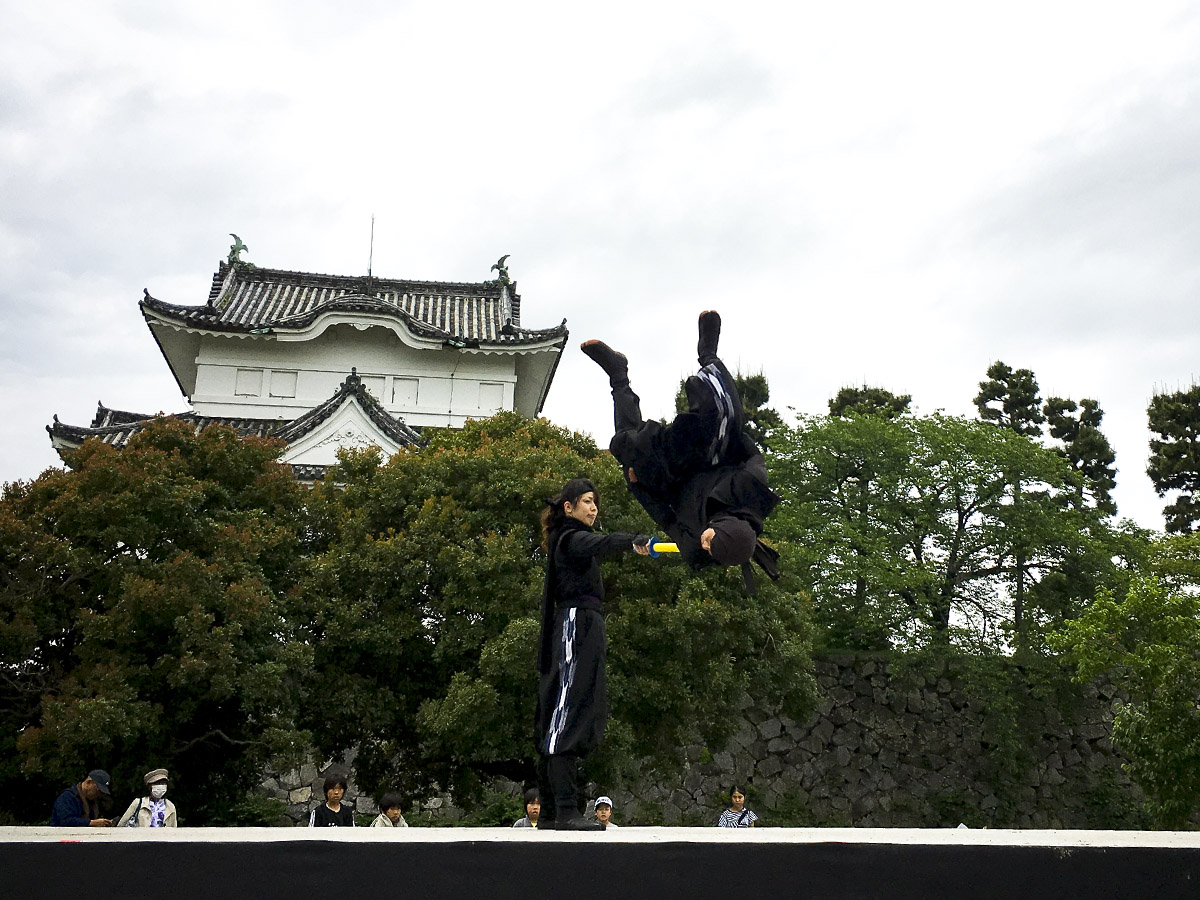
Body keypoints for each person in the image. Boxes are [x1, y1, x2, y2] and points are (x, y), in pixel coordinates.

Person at [581, 311, 781, 591]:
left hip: (675, 480)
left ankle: (618, 375)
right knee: (727, 416)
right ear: (725, 530)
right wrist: (732, 435)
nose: (704, 543)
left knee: (628, 449)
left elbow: (666, 518)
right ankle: (708, 353)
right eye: (712, 541)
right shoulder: (750, 490)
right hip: (711, 458)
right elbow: (750, 452)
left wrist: (638, 487)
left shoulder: (695, 548)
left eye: (709, 549)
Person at [534, 478, 651, 830]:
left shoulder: (570, 538)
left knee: (580, 706)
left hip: (586, 623)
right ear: (568, 507)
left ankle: (557, 810)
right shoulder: (570, 538)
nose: (593, 507)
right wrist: (633, 541)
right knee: (565, 711)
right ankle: (564, 808)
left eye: (594, 501)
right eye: (586, 501)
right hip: (574, 625)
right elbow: (598, 542)